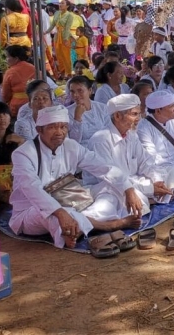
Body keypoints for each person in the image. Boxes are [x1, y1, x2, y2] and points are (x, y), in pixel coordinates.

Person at [9, 105, 143, 251]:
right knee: (50, 215)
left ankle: (76, 226)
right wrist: (60, 212)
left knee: (111, 190)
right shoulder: (23, 153)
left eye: (63, 127)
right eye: (52, 127)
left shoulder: (71, 146)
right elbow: (32, 189)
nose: (59, 132)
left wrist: (128, 189)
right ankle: (110, 225)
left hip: (71, 199)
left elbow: (104, 167)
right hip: (32, 210)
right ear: (39, 130)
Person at [66, 76, 107, 145]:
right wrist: (77, 118)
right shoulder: (67, 113)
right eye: (72, 91)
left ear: (90, 90)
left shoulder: (102, 108)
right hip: (82, 152)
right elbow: (73, 142)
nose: (76, 95)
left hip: (104, 148)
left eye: (80, 91)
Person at [2, 45, 35, 116]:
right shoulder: (33, 68)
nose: (6, 60)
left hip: (17, 107)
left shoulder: (10, 72)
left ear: (16, 58)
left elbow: (6, 95)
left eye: (7, 57)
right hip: (35, 103)